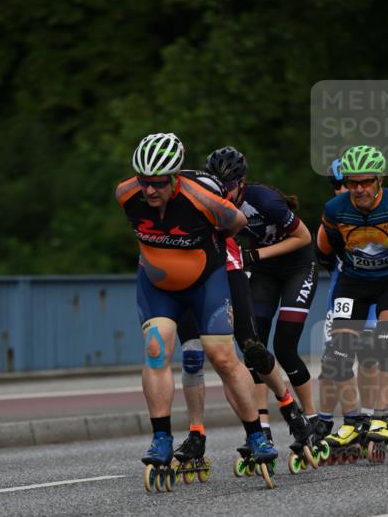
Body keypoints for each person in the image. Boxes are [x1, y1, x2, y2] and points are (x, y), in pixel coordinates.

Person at [115, 132, 277, 481]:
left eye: (158, 183)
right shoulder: (126, 194)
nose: (150, 191)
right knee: (157, 350)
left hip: (206, 283)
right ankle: (161, 438)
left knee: (222, 357)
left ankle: (256, 435)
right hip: (157, 286)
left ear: (175, 178)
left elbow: (238, 223)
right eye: (144, 182)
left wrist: (210, 240)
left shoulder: (204, 199)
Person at [173, 168, 307, 469]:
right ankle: (197, 433)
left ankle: (288, 406)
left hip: (224, 269)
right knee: (193, 356)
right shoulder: (157, 200)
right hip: (184, 279)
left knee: (250, 347)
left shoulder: (214, 197)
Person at [202, 146, 321, 460]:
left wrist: (253, 255)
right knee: (255, 348)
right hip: (262, 272)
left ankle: (311, 418)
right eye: (217, 187)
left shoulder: (263, 200)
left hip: (297, 265)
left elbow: (304, 237)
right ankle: (263, 428)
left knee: (285, 346)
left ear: (241, 183)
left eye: (227, 187)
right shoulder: (212, 203)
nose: (222, 193)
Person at [317, 144, 388, 461]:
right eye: (353, 182)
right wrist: (355, 266)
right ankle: (354, 419)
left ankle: (381, 416)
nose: (359, 188)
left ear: (379, 179)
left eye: (366, 181)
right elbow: (327, 249)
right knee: (337, 353)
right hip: (354, 279)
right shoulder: (335, 208)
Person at [316, 158, 379, 441]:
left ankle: (367, 416)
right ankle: (325, 420)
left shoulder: (381, 209)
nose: (342, 190)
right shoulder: (333, 213)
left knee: (368, 357)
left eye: (350, 184)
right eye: (337, 185)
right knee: (334, 358)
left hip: (377, 288)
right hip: (345, 287)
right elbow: (322, 253)